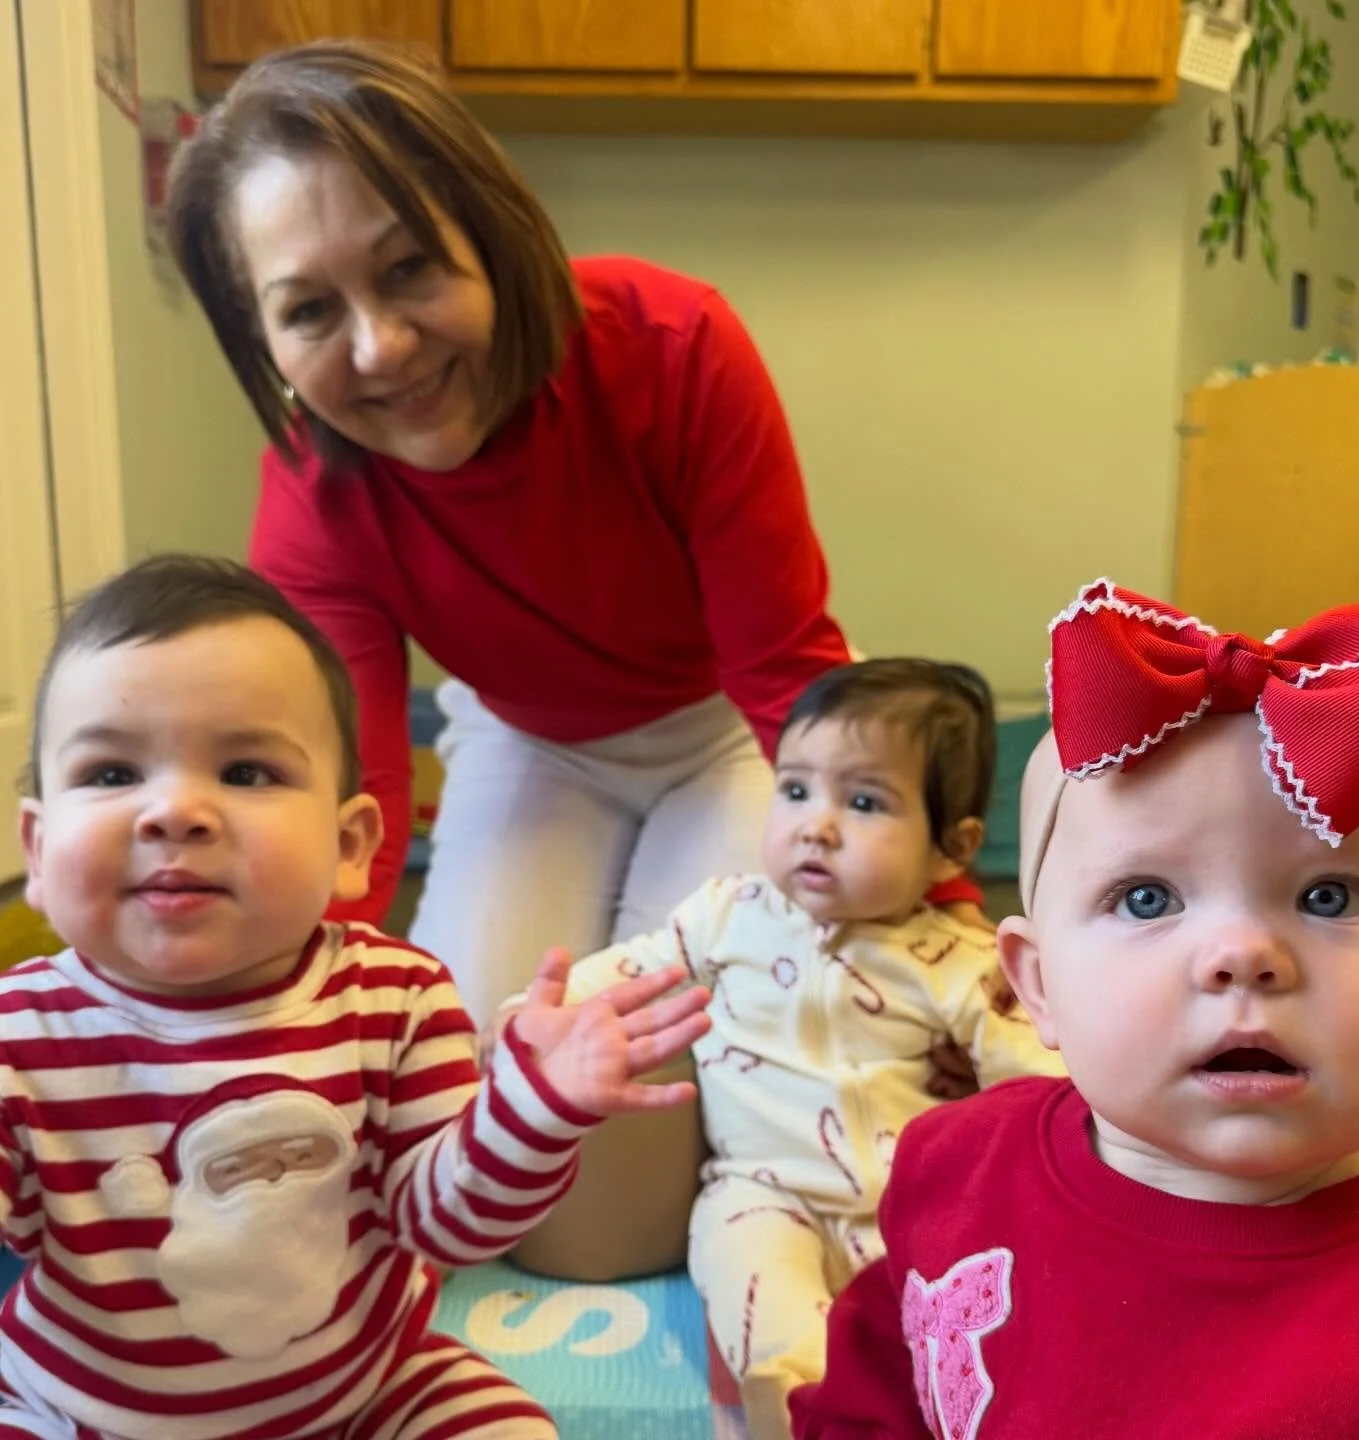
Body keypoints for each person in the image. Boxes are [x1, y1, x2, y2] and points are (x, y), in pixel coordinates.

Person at [162, 36, 879, 1029]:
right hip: (529, 740)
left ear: (488, 234)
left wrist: (933, 918)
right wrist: (293, 1017)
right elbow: (349, 792)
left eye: (408, 267)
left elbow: (782, 669)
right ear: (266, 341)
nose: (382, 347)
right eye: (312, 310)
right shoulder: (308, 496)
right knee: (471, 1042)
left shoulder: (676, 346)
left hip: (730, 727)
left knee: (721, 1021)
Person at [1, 554, 711, 1440]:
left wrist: (533, 1112)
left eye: (248, 772)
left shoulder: (395, 996)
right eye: (111, 774)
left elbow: (447, 1229)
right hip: (82, 1413)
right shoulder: (18, 1034)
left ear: (350, 845)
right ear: (38, 846)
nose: (175, 812)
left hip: (369, 1391)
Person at [789, 579, 1359, 1440]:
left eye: (1328, 896)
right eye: (1146, 899)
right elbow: (873, 1398)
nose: (1242, 954)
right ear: (1037, 984)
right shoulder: (953, 1166)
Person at [510, 659, 1063, 1439]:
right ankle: (796, 1404)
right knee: (750, 1280)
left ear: (951, 850)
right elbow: (623, 975)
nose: (817, 824)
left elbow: (1037, 1086)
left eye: (864, 802)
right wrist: (536, 1013)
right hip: (765, 1190)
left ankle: (927, 1403)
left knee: (965, 1317)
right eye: (796, 790)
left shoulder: (956, 962)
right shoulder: (725, 915)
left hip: (912, 1203)